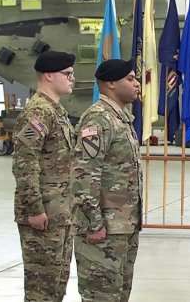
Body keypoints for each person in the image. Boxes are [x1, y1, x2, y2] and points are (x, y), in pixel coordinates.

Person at [71, 58, 143, 302]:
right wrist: (94, 223)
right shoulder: (98, 119)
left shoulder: (119, 118)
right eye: (130, 79)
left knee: (119, 295)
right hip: (104, 230)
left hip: (122, 227)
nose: (137, 84)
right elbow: (83, 173)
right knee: (100, 297)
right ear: (111, 83)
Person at [11, 50, 77, 302]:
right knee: (41, 289)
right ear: (49, 76)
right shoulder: (38, 112)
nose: (72, 78)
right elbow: (24, 163)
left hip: (60, 212)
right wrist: (34, 208)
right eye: (67, 74)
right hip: (44, 214)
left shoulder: (55, 111)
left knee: (56, 284)